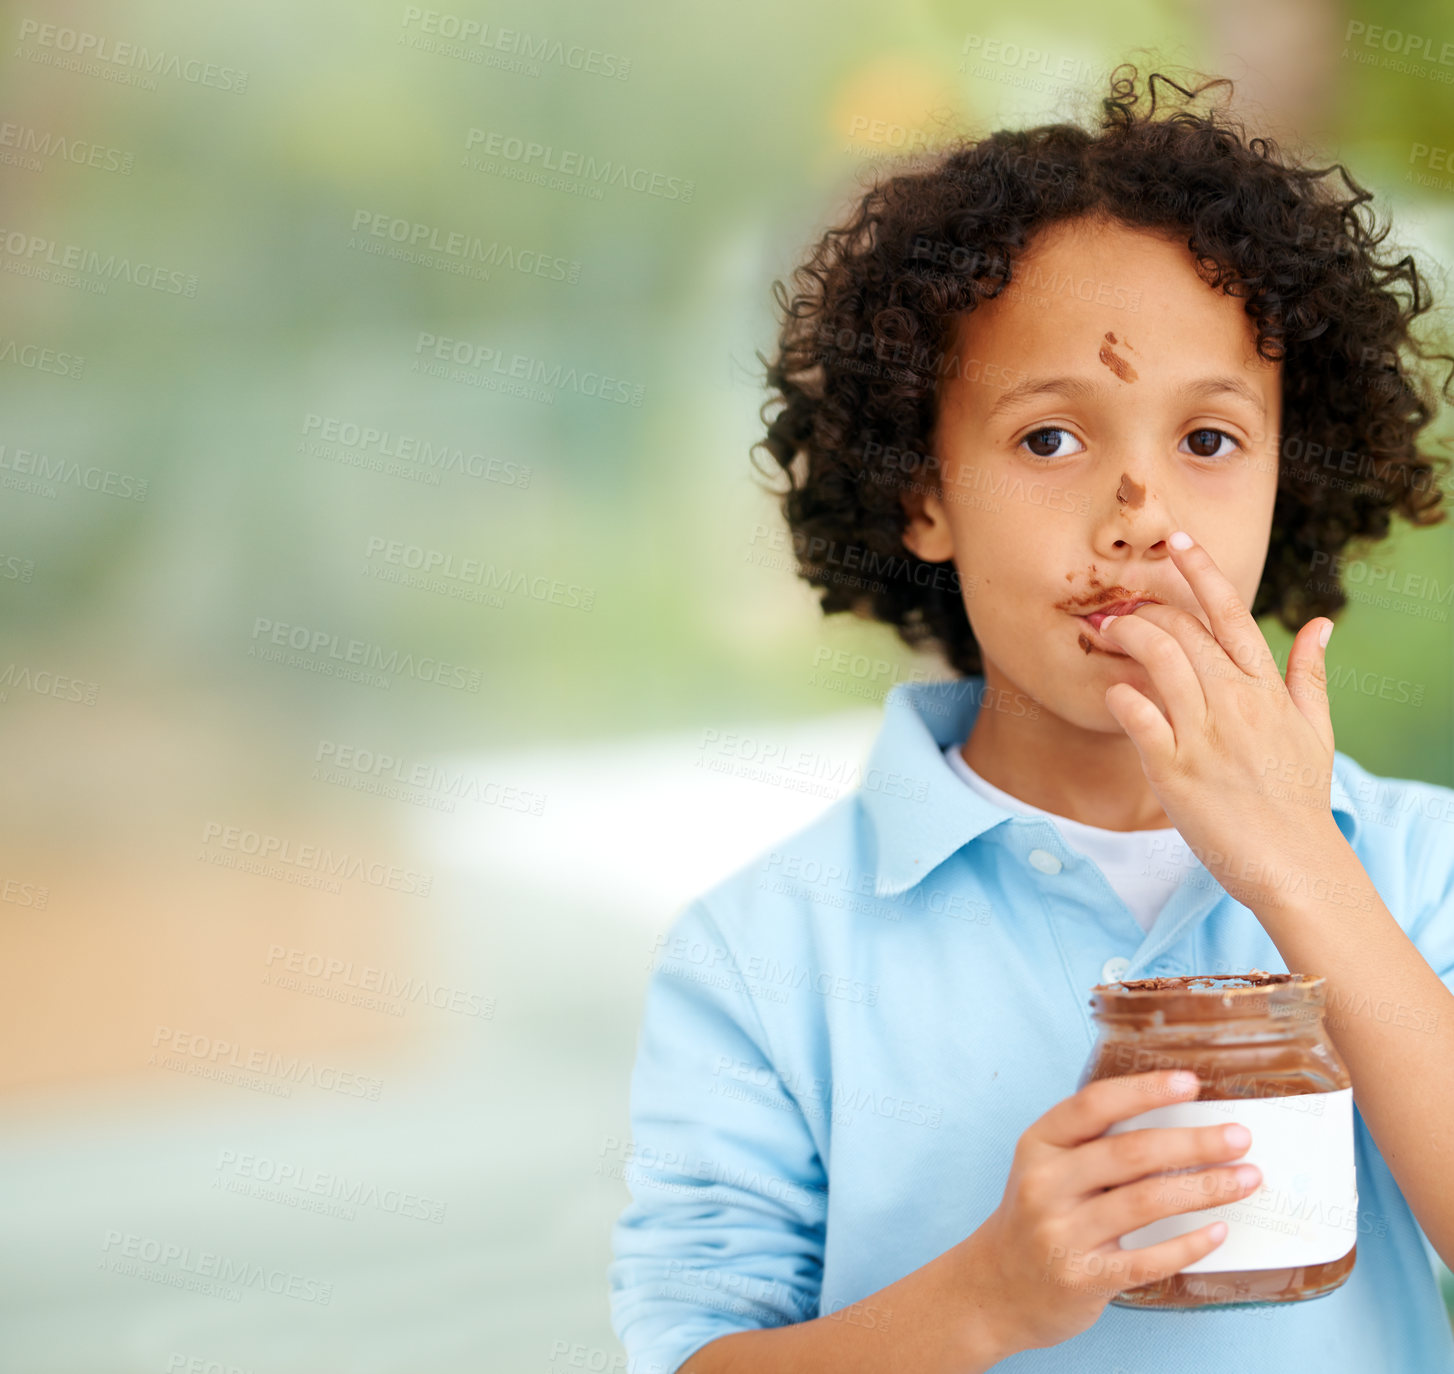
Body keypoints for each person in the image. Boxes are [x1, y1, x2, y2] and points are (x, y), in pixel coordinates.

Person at [608, 65, 1454, 1372]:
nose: (1138, 512)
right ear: (920, 490)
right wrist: (989, 1296)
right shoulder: (764, 954)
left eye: (1210, 440)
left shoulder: (1414, 868)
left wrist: (1298, 861)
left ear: (1287, 477)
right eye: (1050, 438)